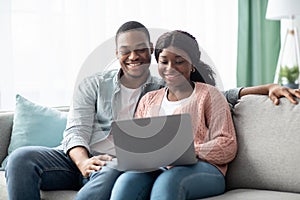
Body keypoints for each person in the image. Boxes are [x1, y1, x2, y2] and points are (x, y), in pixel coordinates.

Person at [5, 21, 300, 200]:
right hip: (86, 159)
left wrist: (264, 87)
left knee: (123, 175)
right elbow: (77, 131)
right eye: (126, 50)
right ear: (117, 54)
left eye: (141, 50)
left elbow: (215, 98)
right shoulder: (103, 87)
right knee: (20, 158)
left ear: (149, 52)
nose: (134, 56)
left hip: (132, 162)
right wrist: (83, 163)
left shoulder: (179, 88)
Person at [109, 30, 233, 200]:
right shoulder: (148, 100)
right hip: (160, 168)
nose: (170, 68)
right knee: (127, 181)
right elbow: (140, 146)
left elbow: (227, 145)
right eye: (164, 62)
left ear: (192, 64)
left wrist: (187, 151)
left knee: (168, 182)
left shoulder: (209, 95)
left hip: (205, 169)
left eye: (179, 62)